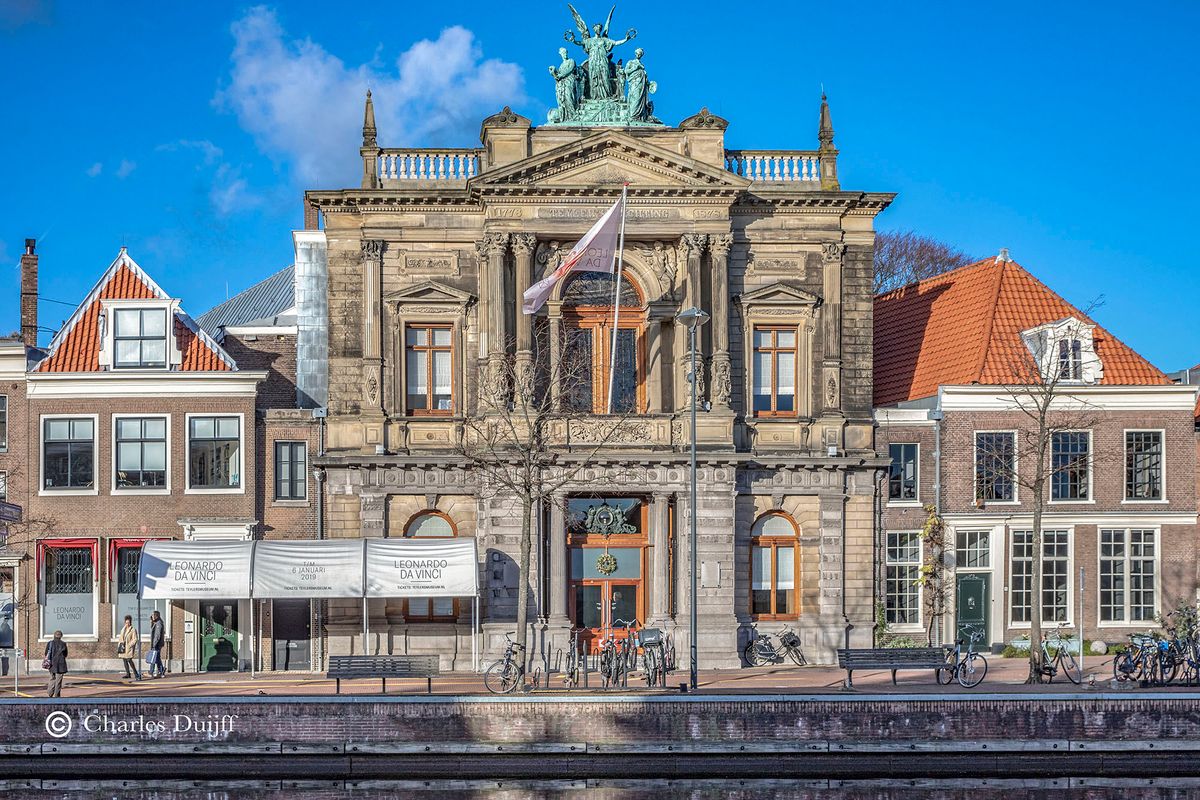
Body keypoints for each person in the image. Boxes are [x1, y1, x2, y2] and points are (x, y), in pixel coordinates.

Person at [117, 615, 142, 680]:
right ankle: (128, 674)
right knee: (124, 660)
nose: (127, 624)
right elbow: (120, 637)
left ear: (130, 622)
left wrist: (130, 645)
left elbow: (135, 639)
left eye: (128, 623)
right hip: (123, 647)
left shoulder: (133, 629)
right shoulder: (123, 629)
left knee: (129, 660)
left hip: (128, 648)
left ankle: (136, 674)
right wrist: (120, 644)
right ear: (125, 622)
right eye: (126, 622)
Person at [44, 630, 68, 697]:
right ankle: (57, 695)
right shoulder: (63, 644)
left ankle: (50, 693)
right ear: (61, 636)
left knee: (52, 678)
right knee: (58, 681)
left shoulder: (50, 643)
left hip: (52, 664)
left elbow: (46, 653)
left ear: (54, 635)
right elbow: (65, 654)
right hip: (61, 664)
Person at [147, 610, 166, 678]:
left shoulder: (159, 623)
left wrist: (154, 644)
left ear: (156, 616)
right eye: (152, 615)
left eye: (153, 615)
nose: (152, 616)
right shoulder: (156, 623)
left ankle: (151, 672)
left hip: (157, 644)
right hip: (157, 644)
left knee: (153, 657)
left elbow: (157, 636)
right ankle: (161, 671)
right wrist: (151, 622)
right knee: (157, 658)